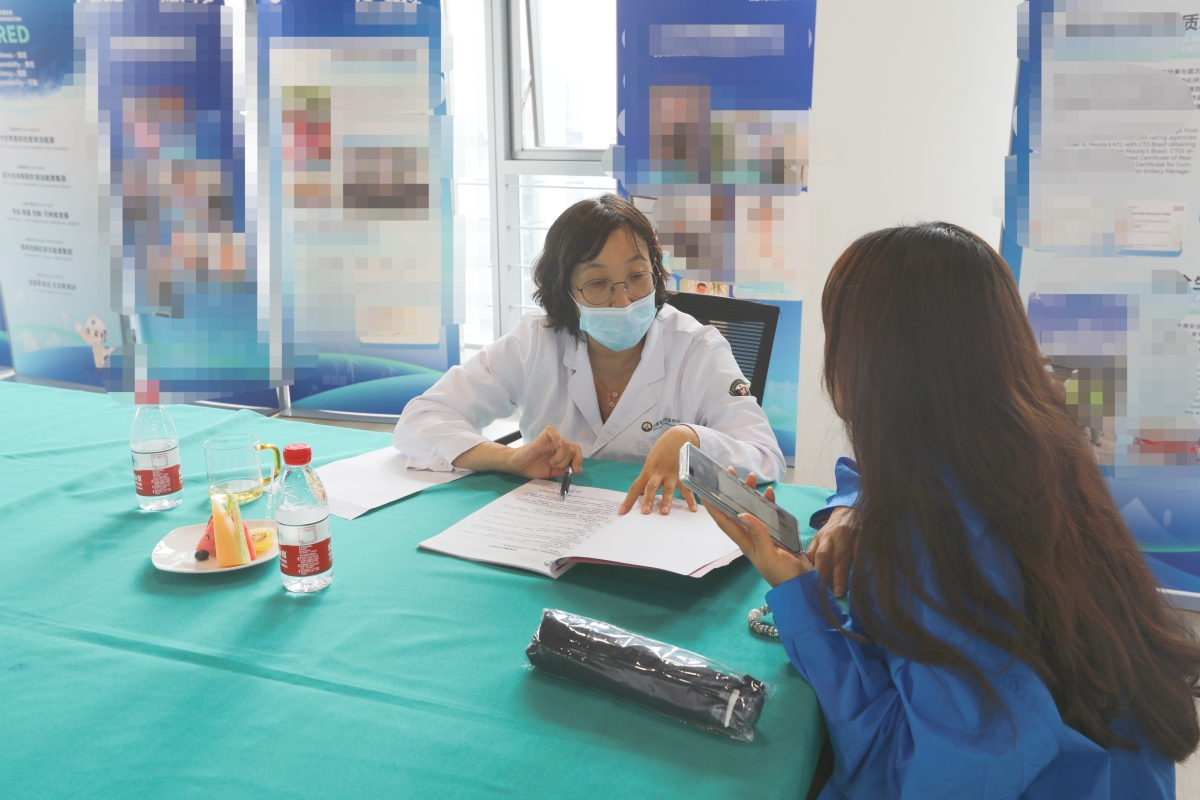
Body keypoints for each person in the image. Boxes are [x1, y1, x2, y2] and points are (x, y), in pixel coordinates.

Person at [705, 222, 1200, 799]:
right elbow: (869, 476)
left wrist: (801, 602)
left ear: (875, 364)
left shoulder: (938, 545)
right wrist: (852, 510)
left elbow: (909, 770)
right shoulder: (1032, 445)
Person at [393, 194, 784, 514]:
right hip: (553, 526)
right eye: (598, 283)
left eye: (637, 276)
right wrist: (507, 459)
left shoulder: (698, 349)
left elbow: (766, 457)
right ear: (564, 292)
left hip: (661, 528)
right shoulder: (534, 342)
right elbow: (422, 419)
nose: (623, 300)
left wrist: (692, 439)